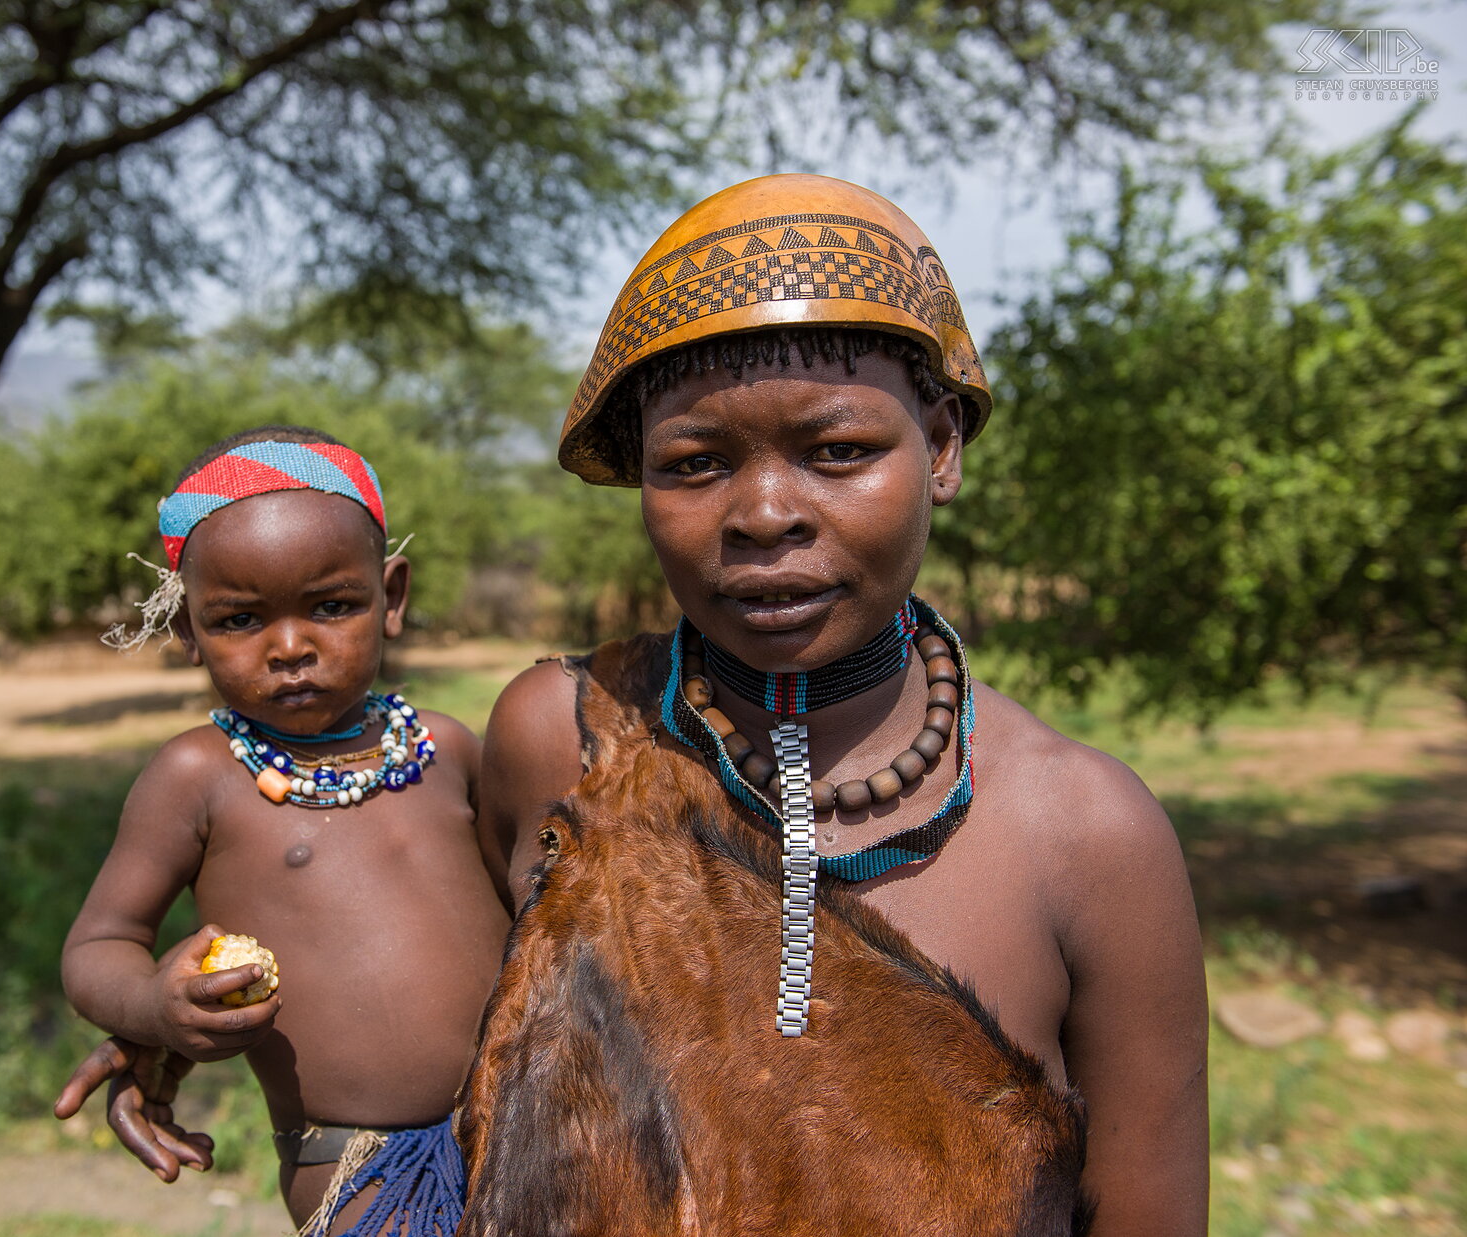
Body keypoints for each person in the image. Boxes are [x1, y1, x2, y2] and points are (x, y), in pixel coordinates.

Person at [64, 177, 1208, 1233]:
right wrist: (161, 1016)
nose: (764, 511)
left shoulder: (1083, 835)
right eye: (694, 463)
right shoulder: (554, 737)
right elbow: (382, 923)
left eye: (839, 449)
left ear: (942, 446)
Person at [58, 425, 509, 1237]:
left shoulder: (448, 749)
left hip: (529, 1124)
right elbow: (97, 945)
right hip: (361, 1164)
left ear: (392, 596)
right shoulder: (198, 777)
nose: (292, 646)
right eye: (238, 619)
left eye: (333, 606)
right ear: (187, 628)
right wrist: (154, 1009)